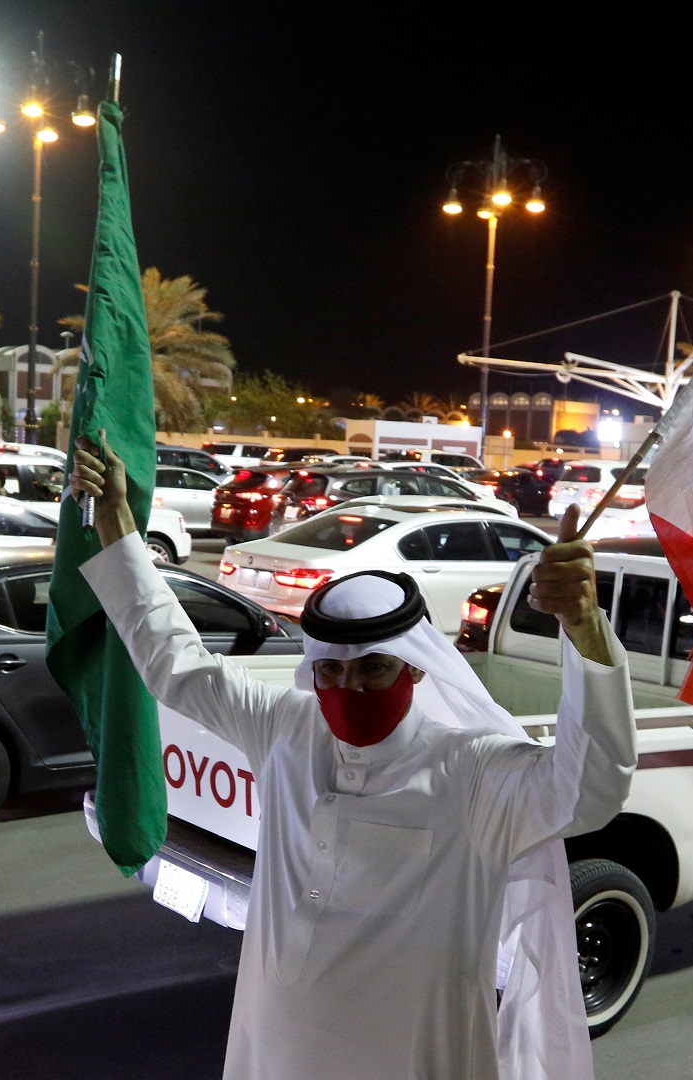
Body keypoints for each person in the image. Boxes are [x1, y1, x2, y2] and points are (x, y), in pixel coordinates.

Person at [71, 435, 636, 1080]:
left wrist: (586, 628)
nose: (352, 688)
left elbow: (592, 789)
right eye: (332, 671)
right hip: (281, 1045)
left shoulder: (475, 770)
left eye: (374, 669)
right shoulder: (287, 729)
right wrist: (116, 527)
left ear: (416, 669)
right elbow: (176, 666)